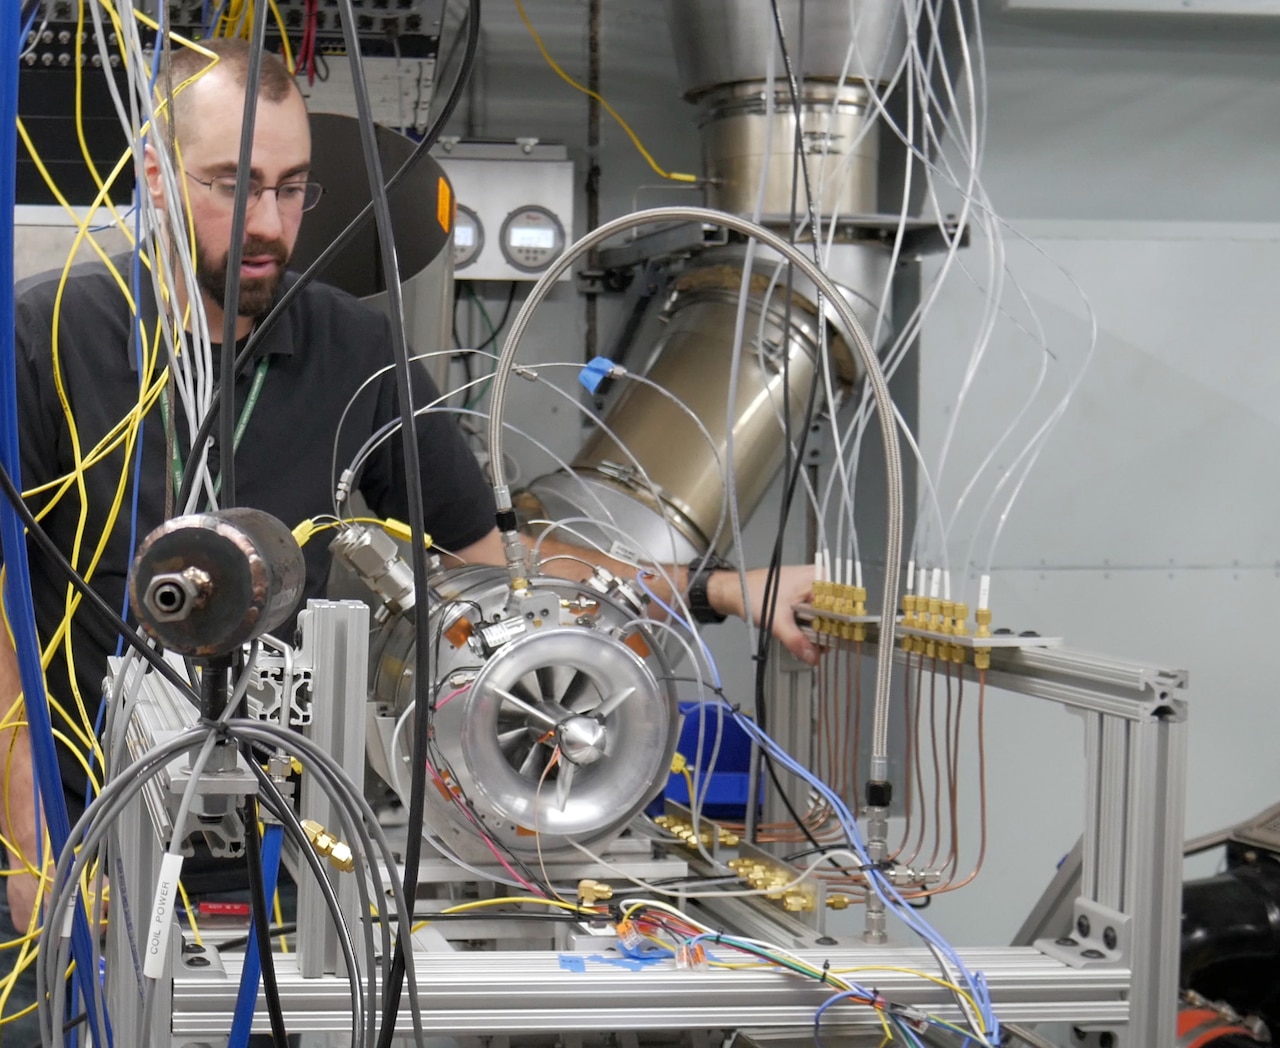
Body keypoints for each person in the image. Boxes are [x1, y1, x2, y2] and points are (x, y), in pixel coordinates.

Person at [0, 35, 817, 1033]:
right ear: (158, 177)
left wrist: (722, 590)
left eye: (291, 188)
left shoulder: (357, 349)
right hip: (89, 842)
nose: (268, 224)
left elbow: (494, 566)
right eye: (233, 184)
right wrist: (32, 845)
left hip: (297, 860)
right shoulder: (47, 336)